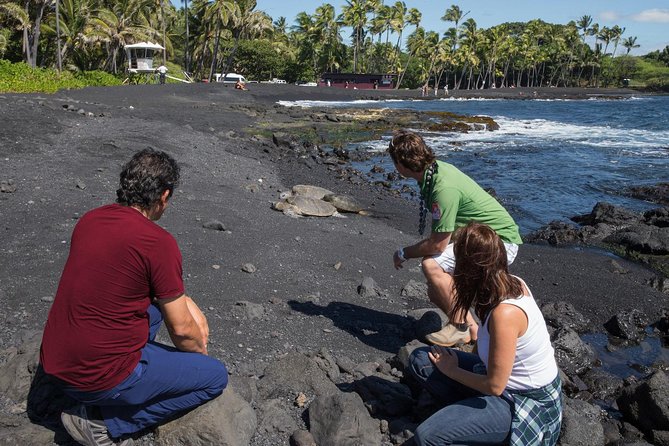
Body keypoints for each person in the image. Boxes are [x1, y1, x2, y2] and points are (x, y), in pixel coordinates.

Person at [40, 149, 228, 446]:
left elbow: (126, 282)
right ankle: (105, 424)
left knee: (153, 310)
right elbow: (182, 332)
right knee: (215, 377)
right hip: (95, 377)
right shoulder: (157, 242)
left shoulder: (91, 219)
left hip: (54, 363)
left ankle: (115, 385)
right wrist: (197, 363)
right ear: (164, 196)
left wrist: (185, 299)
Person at [408, 222, 562, 445]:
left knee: (428, 437)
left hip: (523, 401)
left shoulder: (506, 314)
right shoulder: (505, 283)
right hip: (498, 382)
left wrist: (452, 370)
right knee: (422, 359)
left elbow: (495, 386)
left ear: (470, 269)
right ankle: (473, 422)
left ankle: (481, 427)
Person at [388, 130, 522, 346]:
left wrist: (403, 253)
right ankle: (472, 330)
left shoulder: (443, 187)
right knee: (436, 291)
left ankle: (459, 326)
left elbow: (438, 243)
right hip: (479, 238)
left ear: (401, 165)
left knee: (431, 265)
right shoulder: (432, 172)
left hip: (499, 243)